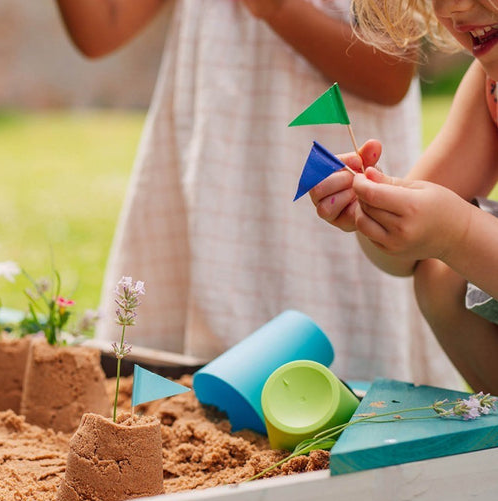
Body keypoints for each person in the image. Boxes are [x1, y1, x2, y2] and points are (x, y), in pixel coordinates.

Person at [52, 0, 463, 388]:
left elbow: (391, 75)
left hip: (324, 191)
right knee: (191, 398)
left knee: (333, 398)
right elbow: (101, 29)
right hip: (212, 180)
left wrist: (277, 8)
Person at [308, 0, 498, 393]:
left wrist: (458, 232)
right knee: (440, 272)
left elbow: (453, 230)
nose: (455, 9)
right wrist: (375, 213)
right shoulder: (490, 85)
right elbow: (405, 260)